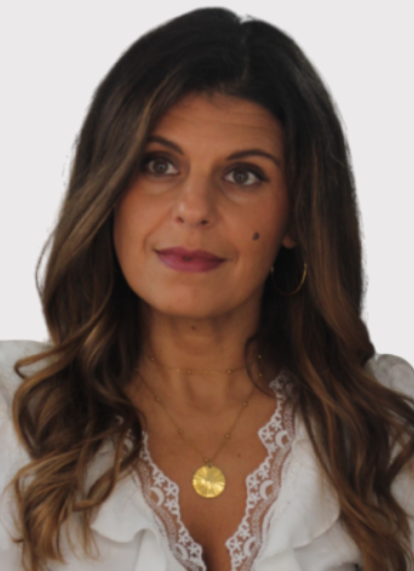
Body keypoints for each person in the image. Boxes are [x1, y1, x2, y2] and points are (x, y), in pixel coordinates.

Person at [0, 6, 414, 571]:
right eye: (158, 165)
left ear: (297, 215)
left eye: (243, 175)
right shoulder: (16, 414)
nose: (193, 208)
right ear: (108, 189)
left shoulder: (386, 431)